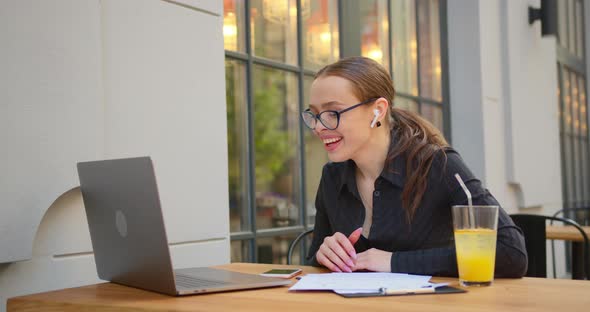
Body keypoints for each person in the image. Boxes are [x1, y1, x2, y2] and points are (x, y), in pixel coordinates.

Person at [302, 56, 527, 277]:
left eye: (332, 113)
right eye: (314, 114)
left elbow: (511, 252)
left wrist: (393, 261)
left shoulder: (438, 165)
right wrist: (324, 255)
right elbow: (313, 265)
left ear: (378, 110)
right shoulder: (332, 177)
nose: (318, 127)